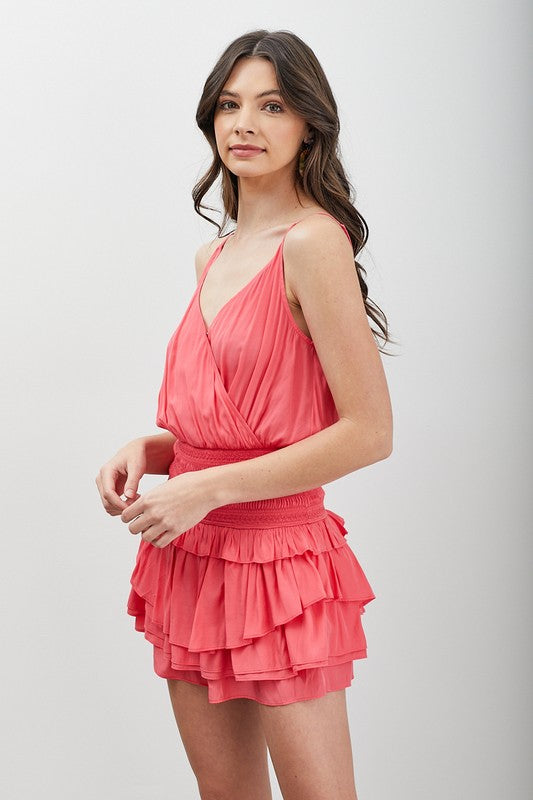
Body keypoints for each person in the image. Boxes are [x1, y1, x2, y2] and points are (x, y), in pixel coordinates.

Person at [96, 28, 394, 800]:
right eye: (229, 105)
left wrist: (209, 490)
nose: (244, 124)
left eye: (272, 105)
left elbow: (369, 432)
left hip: (279, 563)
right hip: (189, 556)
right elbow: (235, 424)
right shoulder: (215, 255)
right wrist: (155, 450)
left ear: (308, 125)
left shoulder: (314, 244)